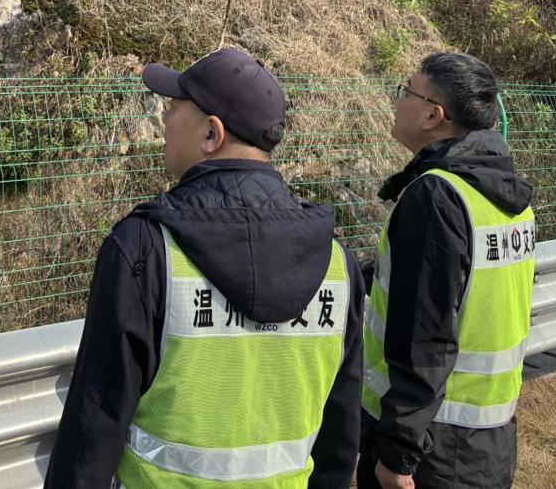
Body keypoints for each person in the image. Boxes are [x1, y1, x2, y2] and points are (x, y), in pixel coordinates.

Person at [44, 48, 364, 488]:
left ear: (212, 134)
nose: (164, 119)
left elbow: (95, 422)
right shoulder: (337, 264)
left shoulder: (146, 248)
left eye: (174, 108)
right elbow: (340, 433)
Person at [359, 53, 535, 489]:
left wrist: (397, 455)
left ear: (432, 115)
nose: (397, 100)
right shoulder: (508, 196)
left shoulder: (437, 196)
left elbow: (426, 340)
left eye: (406, 91)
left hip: (431, 449)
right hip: (488, 441)